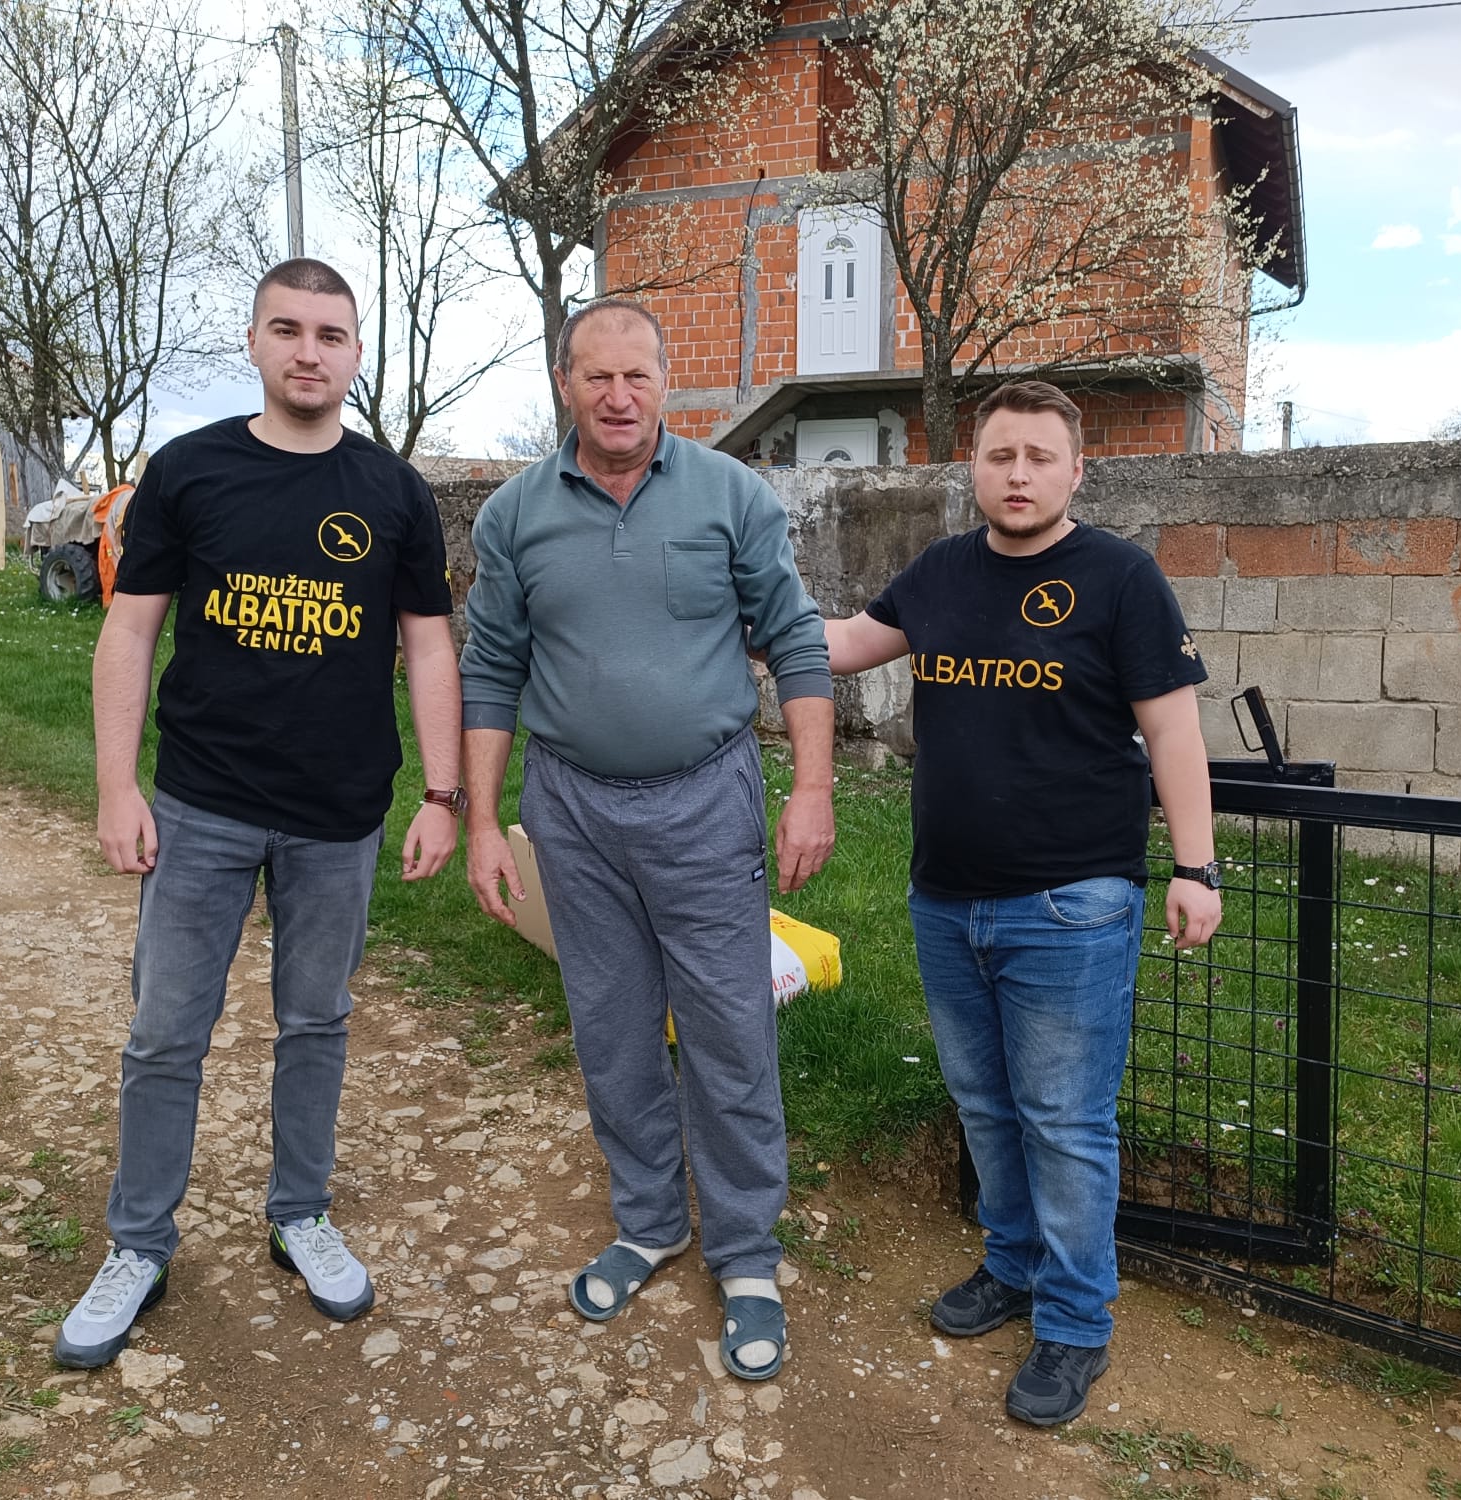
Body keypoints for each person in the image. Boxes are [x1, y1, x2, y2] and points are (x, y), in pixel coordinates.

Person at [55, 258, 463, 1369]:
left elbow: (429, 647)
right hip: (202, 806)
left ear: (356, 353)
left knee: (317, 1023)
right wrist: (116, 785)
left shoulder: (393, 493)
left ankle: (300, 1214)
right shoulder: (189, 470)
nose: (309, 352)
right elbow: (129, 631)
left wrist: (442, 795)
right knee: (164, 1032)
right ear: (253, 341)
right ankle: (139, 1243)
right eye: (287, 329)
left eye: (331, 334)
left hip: (339, 815)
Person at [825, 380, 1222, 1426]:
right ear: (974, 465)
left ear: (1076, 472)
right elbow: (846, 644)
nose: (1018, 474)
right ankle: (1011, 1265)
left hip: (1070, 903)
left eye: (1040, 457)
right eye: (1001, 454)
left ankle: (1077, 1323)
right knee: (986, 1104)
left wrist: (1196, 867)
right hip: (945, 898)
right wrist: (726, 615)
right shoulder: (943, 570)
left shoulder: (1122, 578)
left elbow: (1173, 732)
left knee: (1064, 1119)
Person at [459, 299, 835, 1381]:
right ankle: (650, 1221)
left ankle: (747, 1253)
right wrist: (482, 820)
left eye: (638, 376)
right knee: (611, 1025)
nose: (618, 397)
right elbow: (491, 669)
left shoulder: (730, 495)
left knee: (728, 1027)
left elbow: (796, 641)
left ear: (667, 381)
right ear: (564, 384)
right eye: (597, 377)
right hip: (571, 808)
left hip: (704, 800)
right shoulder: (515, 516)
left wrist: (812, 788)